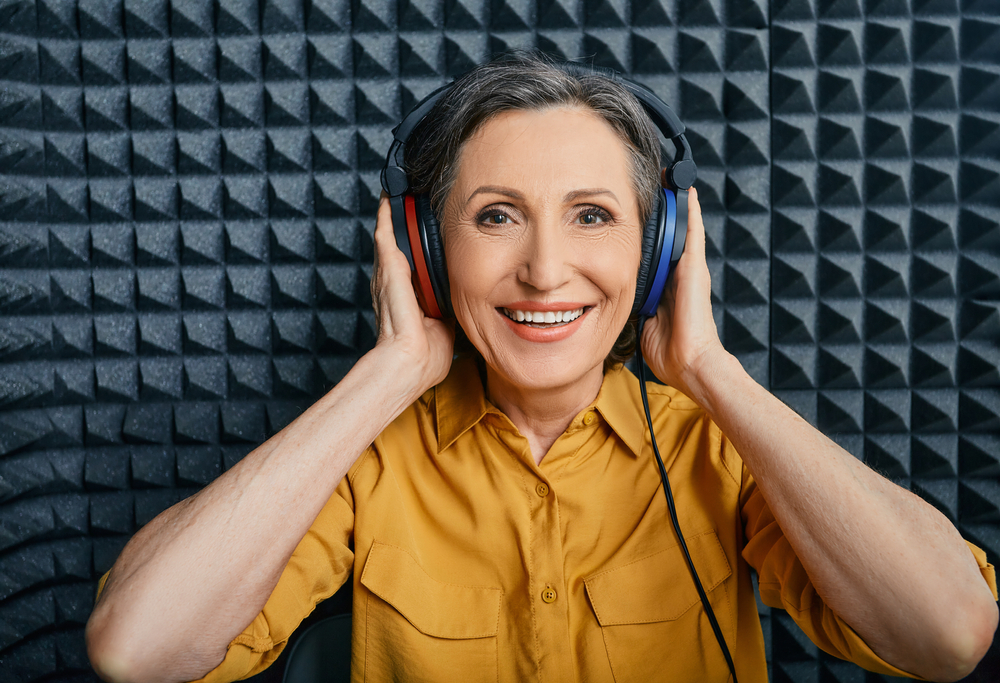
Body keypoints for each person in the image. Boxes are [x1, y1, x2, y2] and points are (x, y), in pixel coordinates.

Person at [86, 52, 997, 683]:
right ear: (425, 254)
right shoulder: (368, 461)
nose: (546, 269)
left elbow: (948, 635)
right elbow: (136, 650)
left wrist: (713, 372)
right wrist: (390, 369)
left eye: (593, 215)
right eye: (495, 216)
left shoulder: (715, 452)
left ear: (660, 250)